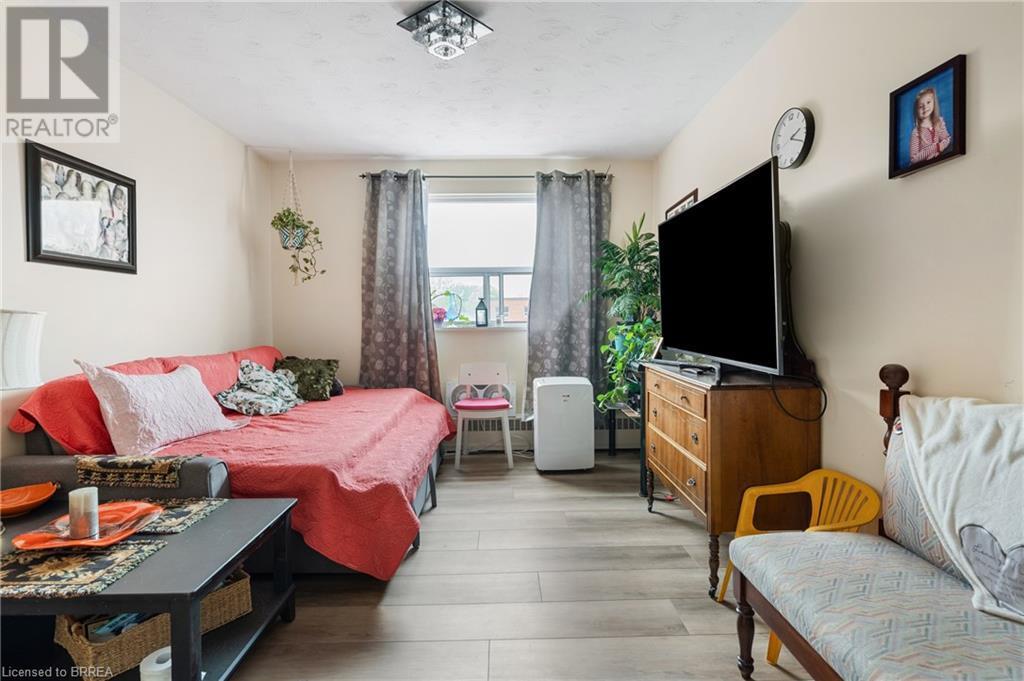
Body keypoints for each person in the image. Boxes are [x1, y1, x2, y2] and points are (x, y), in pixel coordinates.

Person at [909, 87, 951, 164]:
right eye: (921, 106)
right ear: (916, 110)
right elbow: (913, 159)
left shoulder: (939, 122)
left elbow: (947, 139)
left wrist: (939, 148)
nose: (925, 107)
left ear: (934, 103)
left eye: (928, 102)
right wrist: (935, 147)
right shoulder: (916, 132)